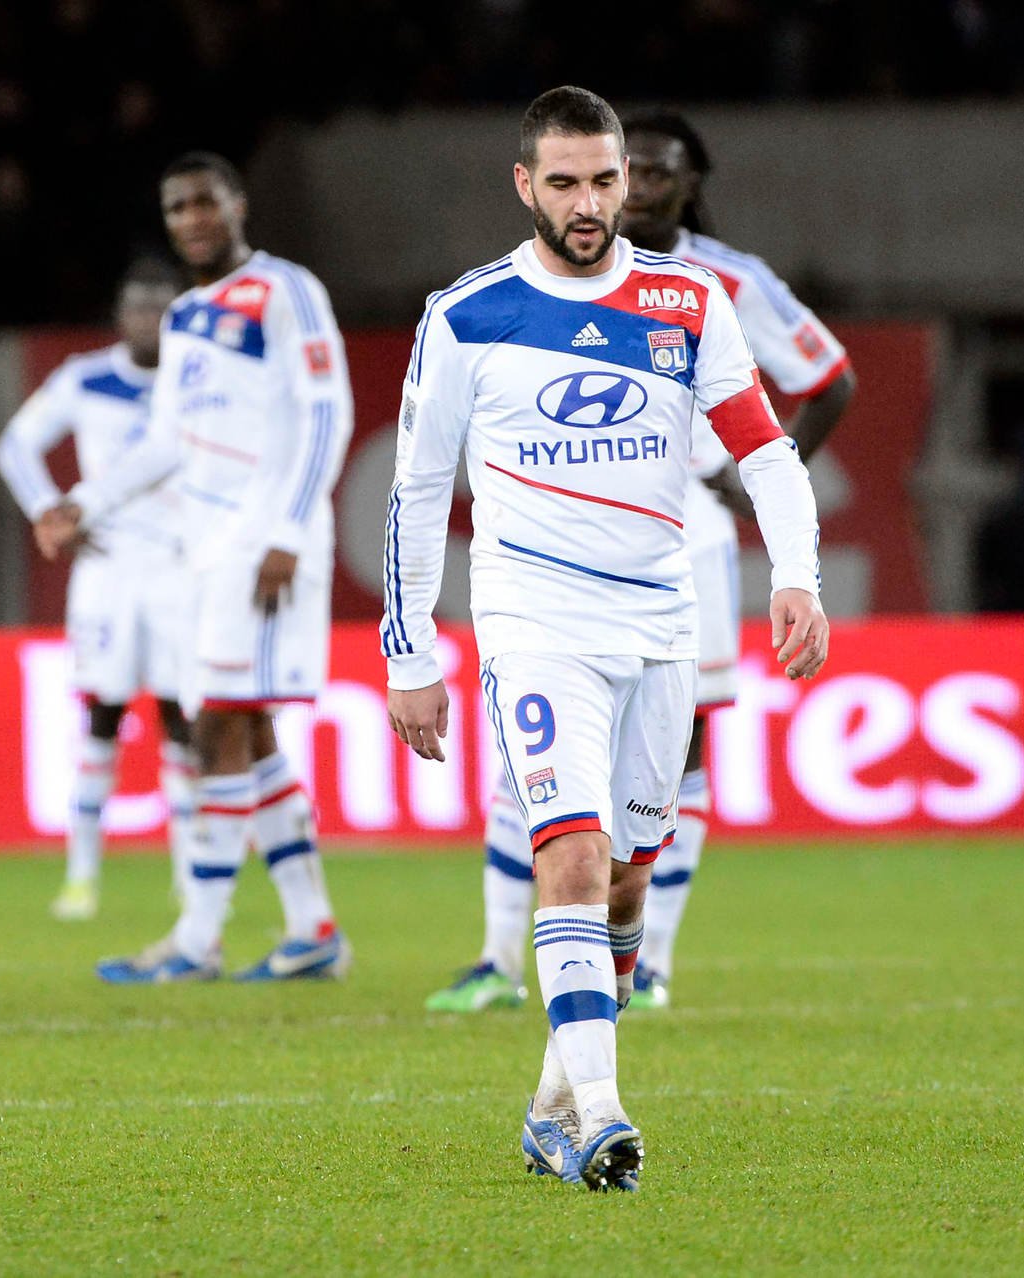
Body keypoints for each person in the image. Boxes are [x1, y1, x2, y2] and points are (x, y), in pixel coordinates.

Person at [383, 86, 826, 1192]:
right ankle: (605, 1119)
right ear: (525, 185)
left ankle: (549, 1105)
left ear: (629, 179)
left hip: (662, 626)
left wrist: (797, 578)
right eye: (567, 183)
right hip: (535, 626)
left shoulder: (689, 301)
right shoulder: (468, 314)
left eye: (606, 180)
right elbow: (417, 487)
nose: (589, 205)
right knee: (571, 861)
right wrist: (408, 653)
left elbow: (765, 451)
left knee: (627, 885)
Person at [35, 152, 355, 982]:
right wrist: (86, 503)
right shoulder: (183, 317)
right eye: (177, 206)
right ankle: (312, 930)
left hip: (266, 544)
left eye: (205, 201)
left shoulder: (286, 291)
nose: (192, 218)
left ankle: (196, 940)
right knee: (246, 733)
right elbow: (167, 441)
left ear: (237, 205)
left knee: (217, 723)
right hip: (206, 550)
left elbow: (330, 411)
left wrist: (288, 528)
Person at [0, 257, 197, 921]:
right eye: (137, 306)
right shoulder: (86, 378)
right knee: (102, 715)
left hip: (177, 565)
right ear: (120, 315)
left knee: (181, 720)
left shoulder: (197, 381)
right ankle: (81, 877)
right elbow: (15, 446)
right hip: (107, 571)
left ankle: (193, 878)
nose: (148, 319)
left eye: (161, 307)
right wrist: (48, 510)